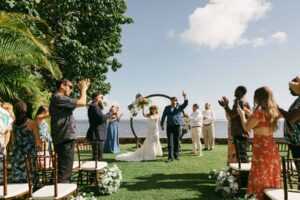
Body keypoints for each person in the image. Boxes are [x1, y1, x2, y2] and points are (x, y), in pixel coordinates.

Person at [237, 86, 281, 200]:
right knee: (270, 174)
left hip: (261, 149)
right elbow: (262, 122)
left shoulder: (259, 112)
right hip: (271, 148)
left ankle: (258, 197)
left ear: (259, 98)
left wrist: (242, 114)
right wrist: (249, 113)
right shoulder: (273, 111)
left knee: (259, 174)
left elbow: (247, 127)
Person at [49, 78, 90, 183]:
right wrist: (84, 90)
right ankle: (62, 195)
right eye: (70, 87)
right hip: (65, 139)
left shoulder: (59, 100)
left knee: (61, 171)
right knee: (65, 173)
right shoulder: (59, 98)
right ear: (62, 86)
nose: (71, 90)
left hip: (62, 139)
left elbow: (76, 104)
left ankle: (58, 192)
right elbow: (82, 102)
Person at [12, 100, 43, 183]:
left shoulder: (13, 124)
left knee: (18, 183)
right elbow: (38, 142)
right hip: (29, 157)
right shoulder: (32, 123)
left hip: (17, 157)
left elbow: (13, 142)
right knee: (31, 182)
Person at [218, 86, 250, 163]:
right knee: (241, 155)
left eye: (236, 90)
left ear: (241, 92)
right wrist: (226, 105)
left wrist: (225, 106)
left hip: (240, 133)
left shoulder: (240, 102)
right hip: (241, 132)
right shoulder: (242, 101)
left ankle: (244, 174)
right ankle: (242, 173)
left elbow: (232, 115)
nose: (234, 92)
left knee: (242, 157)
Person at [86, 93, 118, 160]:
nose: (102, 99)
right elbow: (102, 118)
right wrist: (111, 112)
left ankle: (95, 168)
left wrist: (110, 112)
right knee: (98, 156)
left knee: (97, 156)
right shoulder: (93, 106)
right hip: (97, 135)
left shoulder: (95, 107)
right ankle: (97, 169)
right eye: (101, 97)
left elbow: (100, 118)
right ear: (97, 98)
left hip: (98, 135)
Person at [278, 77, 300, 172]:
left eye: (291, 87)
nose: (289, 90)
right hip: (295, 142)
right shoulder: (298, 100)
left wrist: (277, 108)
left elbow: (291, 117)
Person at [161, 91, 188, 162]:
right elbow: (163, 116)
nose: (173, 102)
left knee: (176, 141)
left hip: (177, 126)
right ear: (171, 101)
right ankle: (170, 157)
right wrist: (162, 124)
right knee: (170, 142)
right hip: (169, 127)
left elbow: (186, 103)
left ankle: (176, 156)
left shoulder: (180, 107)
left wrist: (185, 96)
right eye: (172, 101)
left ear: (176, 101)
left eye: (175, 101)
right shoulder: (167, 108)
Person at [0, 102, 14, 184]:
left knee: (1, 167)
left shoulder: (5, 114)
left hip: (1, 143)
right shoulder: (5, 114)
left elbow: (8, 132)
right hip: (2, 142)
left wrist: (4, 145)